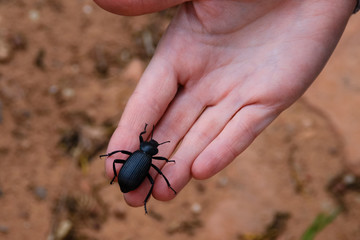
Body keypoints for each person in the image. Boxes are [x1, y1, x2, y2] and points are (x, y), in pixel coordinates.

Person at [93, 0, 359, 209]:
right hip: (132, 173)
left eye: (148, 142)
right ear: (148, 148)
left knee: (138, 172)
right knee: (157, 180)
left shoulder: (141, 153)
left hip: (129, 174)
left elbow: (131, 157)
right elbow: (155, 171)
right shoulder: (147, 156)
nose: (148, 142)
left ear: (145, 146)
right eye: (149, 143)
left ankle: (117, 173)